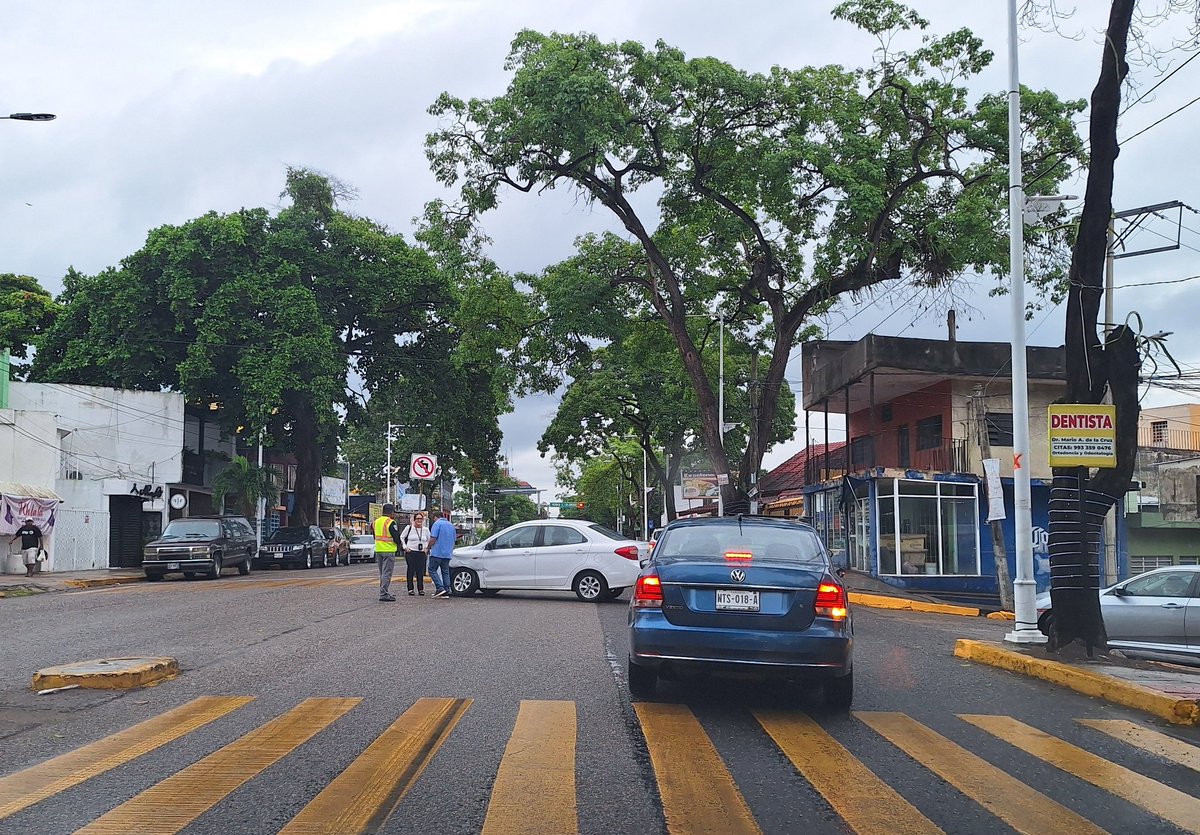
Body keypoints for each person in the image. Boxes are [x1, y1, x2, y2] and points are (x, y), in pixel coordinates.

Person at [398, 512, 431, 596]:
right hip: (411, 552)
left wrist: (426, 548)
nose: (419, 521)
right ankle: (410, 588)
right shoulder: (409, 528)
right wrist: (405, 547)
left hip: (421, 553)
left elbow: (429, 540)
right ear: (414, 520)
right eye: (417, 519)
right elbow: (402, 537)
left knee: (420, 571)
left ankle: (420, 589)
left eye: (421, 519)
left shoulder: (425, 530)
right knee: (411, 569)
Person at [373, 504, 400, 602]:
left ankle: (384, 591)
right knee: (387, 573)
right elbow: (396, 537)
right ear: (392, 512)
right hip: (389, 551)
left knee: (382, 573)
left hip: (379, 550)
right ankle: (383, 593)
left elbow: (374, 536)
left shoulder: (375, 522)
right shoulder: (391, 522)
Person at [427, 510, 456, 598]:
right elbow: (454, 539)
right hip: (447, 553)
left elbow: (433, 537)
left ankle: (440, 588)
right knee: (445, 571)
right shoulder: (451, 525)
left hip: (437, 552)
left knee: (432, 569)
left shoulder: (437, 524)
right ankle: (447, 590)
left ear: (436, 517)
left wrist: (428, 547)